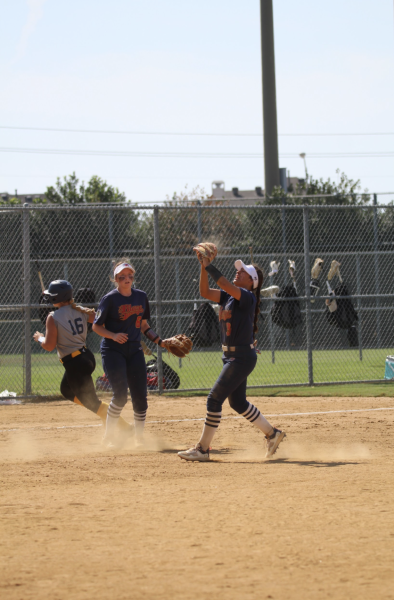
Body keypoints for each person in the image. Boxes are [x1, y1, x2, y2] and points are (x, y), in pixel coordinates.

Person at [178, 249, 286, 461]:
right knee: (237, 403)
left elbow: (225, 284)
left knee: (214, 399)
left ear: (251, 282)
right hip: (233, 357)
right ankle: (273, 434)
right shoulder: (229, 296)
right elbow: (205, 292)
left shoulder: (246, 296)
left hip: (241, 358)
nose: (238, 273)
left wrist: (209, 264)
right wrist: (203, 266)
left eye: (243, 272)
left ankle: (202, 449)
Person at [33, 280, 132, 433]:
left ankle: (124, 427)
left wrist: (39, 338)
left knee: (94, 404)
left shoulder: (52, 317)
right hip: (85, 358)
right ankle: (103, 412)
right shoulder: (80, 311)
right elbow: (101, 321)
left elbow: (49, 345)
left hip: (74, 364)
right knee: (66, 389)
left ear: (55, 298)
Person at [92, 261, 168, 447]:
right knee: (120, 395)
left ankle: (139, 439)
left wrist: (160, 341)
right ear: (115, 279)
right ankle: (108, 437)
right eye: (122, 276)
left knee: (140, 396)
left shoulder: (141, 297)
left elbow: (143, 325)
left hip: (134, 349)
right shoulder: (109, 299)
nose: (126, 279)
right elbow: (96, 326)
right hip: (113, 350)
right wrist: (113, 335)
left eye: (130, 276)